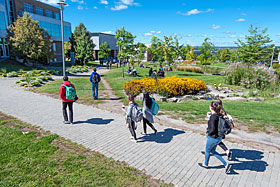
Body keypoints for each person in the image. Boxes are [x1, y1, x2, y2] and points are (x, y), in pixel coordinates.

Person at [200, 101, 231, 174]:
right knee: (213, 151)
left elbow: (213, 129)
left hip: (212, 137)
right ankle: (226, 164)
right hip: (219, 137)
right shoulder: (219, 115)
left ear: (211, 108)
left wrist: (208, 134)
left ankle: (205, 164)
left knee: (207, 151)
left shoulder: (213, 117)